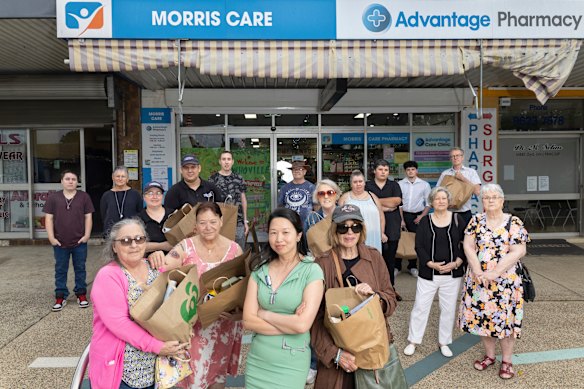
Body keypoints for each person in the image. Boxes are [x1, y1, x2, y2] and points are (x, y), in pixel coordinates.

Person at [149, 202, 244, 389]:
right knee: (193, 376)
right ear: (195, 224)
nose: (207, 227)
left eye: (212, 222)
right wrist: (157, 257)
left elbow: (242, 286)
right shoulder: (186, 246)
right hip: (193, 326)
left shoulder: (234, 249)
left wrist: (238, 314)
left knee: (217, 375)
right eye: (202, 223)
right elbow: (164, 266)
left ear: (221, 221)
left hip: (223, 324)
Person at [311, 204, 402, 389]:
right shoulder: (322, 264)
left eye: (355, 226)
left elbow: (390, 299)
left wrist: (375, 298)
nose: (349, 232)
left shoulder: (374, 257)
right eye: (343, 227)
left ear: (362, 229)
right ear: (335, 230)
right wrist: (334, 354)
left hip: (371, 347)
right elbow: (314, 318)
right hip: (339, 352)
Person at [89, 218, 184, 389]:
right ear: (114, 247)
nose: (134, 245)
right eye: (125, 241)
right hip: (124, 370)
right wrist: (157, 346)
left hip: (156, 368)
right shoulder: (108, 276)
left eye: (139, 239)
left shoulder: (156, 267)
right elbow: (119, 323)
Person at [243, 208, 324, 389]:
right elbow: (248, 320)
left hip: (291, 361)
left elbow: (303, 325)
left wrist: (264, 314)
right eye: (273, 233)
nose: (279, 239)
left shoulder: (311, 271)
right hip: (258, 360)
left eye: (286, 232)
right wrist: (291, 324)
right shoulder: (259, 270)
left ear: (298, 235)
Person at [458, 184, 530, 380]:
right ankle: (489, 356)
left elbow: (519, 250)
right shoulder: (476, 221)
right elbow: (468, 246)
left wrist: (495, 272)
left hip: (505, 282)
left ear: (502, 200)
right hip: (479, 279)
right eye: (486, 197)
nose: (490, 200)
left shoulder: (513, 222)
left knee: (505, 322)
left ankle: (506, 361)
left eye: (494, 197)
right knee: (483, 319)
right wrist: (479, 270)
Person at [403, 187, 466, 358]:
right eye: (437, 199)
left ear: (448, 201)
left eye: (444, 198)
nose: (440, 201)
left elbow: (465, 244)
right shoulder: (425, 221)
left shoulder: (457, 219)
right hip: (429, 273)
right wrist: (431, 264)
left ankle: (444, 342)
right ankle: (413, 340)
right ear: (431, 202)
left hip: (452, 274)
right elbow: (419, 246)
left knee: (448, 309)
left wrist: (456, 263)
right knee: (420, 307)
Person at [303, 178, 342, 384]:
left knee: (339, 315)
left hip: (342, 272)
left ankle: (339, 357)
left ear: (336, 194)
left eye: (330, 193)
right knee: (315, 317)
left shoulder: (345, 214)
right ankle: (312, 363)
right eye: (321, 194)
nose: (326, 197)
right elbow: (305, 247)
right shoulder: (311, 219)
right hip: (317, 272)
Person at [43, 170, 94, 311]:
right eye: (67, 179)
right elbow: (49, 218)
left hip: (79, 242)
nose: (70, 181)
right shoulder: (54, 198)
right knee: (60, 269)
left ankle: (81, 294)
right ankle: (60, 296)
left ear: (77, 182)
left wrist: (87, 235)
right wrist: (51, 237)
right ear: (62, 181)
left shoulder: (84, 197)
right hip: (59, 242)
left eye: (73, 179)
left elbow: (88, 217)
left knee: (80, 269)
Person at [364, 160, 402, 293]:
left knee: (389, 261)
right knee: (371, 260)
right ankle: (373, 288)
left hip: (392, 226)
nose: (383, 172)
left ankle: (390, 289)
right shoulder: (367, 185)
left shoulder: (394, 185)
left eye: (385, 170)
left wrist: (375, 203)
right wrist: (385, 206)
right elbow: (365, 202)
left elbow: (397, 201)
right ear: (374, 171)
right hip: (372, 227)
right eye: (380, 169)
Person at [338, 170, 386, 254]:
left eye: (360, 181)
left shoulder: (373, 196)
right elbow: (339, 220)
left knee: (373, 259)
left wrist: (382, 233)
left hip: (373, 236)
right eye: (355, 182)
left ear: (364, 183)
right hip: (353, 236)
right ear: (351, 184)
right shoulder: (345, 198)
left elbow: (381, 216)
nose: (358, 184)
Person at [397, 160, 431, 278]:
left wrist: (422, 216)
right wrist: (401, 219)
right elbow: (399, 204)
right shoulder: (400, 184)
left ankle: (412, 266)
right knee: (399, 239)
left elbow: (428, 203)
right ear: (405, 171)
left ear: (416, 170)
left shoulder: (424, 185)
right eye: (408, 169)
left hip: (417, 216)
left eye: (413, 169)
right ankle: (397, 266)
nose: (410, 171)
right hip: (402, 214)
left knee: (414, 241)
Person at [209, 150, 249, 250]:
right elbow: (209, 202)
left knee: (238, 252)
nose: (226, 162)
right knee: (220, 252)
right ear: (220, 161)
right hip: (219, 223)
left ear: (232, 161)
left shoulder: (239, 178)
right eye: (224, 159)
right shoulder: (213, 179)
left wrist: (245, 221)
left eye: (229, 159)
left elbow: (243, 199)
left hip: (237, 221)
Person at [436, 147, 481, 227]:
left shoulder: (471, 172)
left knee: (465, 238)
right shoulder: (445, 173)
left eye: (457, 155)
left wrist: (463, 179)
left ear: (462, 157)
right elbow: (437, 192)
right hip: (448, 212)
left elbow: (477, 192)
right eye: (452, 156)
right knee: (449, 238)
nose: (455, 158)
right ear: (450, 159)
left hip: (465, 213)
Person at [99, 166, 142, 236]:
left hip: (131, 231)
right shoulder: (106, 195)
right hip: (112, 232)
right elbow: (104, 214)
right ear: (113, 178)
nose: (120, 179)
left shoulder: (135, 194)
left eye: (123, 176)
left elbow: (140, 212)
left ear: (127, 179)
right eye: (117, 176)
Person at [138, 181, 173, 254]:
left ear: (162, 196)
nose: (154, 197)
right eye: (150, 193)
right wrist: (162, 246)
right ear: (144, 197)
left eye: (158, 193)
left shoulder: (173, 214)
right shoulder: (137, 220)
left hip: (175, 260)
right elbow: (137, 245)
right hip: (148, 262)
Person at [277, 160, 316, 225]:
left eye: (300, 169)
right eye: (294, 169)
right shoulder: (284, 188)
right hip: (289, 223)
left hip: (307, 224)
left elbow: (316, 206)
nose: (297, 171)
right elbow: (280, 206)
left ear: (304, 172)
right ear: (292, 172)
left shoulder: (312, 187)